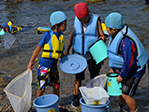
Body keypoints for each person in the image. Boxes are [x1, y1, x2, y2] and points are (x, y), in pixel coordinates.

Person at [65, 2, 106, 108]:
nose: (83, 21)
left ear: (88, 14)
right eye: (81, 20)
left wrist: (101, 41)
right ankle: (75, 98)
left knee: (94, 77)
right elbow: (73, 36)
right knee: (78, 78)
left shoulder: (96, 20)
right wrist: (67, 50)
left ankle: (94, 98)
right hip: (79, 55)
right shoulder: (76, 21)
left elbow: (102, 36)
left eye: (85, 19)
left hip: (93, 55)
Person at [105, 12, 149, 112]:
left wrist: (122, 75)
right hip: (126, 68)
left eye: (107, 28)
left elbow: (129, 62)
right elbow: (118, 56)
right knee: (121, 91)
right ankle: (122, 109)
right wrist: (113, 68)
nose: (106, 30)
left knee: (126, 94)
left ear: (114, 30)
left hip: (135, 70)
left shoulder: (125, 42)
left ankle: (134, 110)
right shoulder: (116, 34)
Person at [27, 11, 67, 112]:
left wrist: (70, 62)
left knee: (56, 86)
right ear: (57, 25)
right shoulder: (47, 35)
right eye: (64, 24)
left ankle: (57, 104)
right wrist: (30, 62)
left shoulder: (61, 36)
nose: (66, 26)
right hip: (44, 66)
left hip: (54, 65)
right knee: (42, 88)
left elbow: (61, 53)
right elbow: (38, 48)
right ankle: (36, 106)